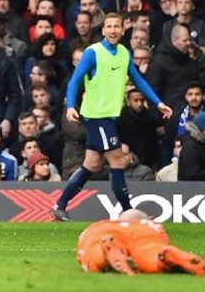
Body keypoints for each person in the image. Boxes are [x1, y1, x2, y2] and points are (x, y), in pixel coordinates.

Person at [51, 13, 173, 221]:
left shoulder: (124, 53)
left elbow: (139, 81)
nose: (113, 30)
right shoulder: (93, 53)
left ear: (123, 29)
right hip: (97, 116)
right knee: (118, 161)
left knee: (92, 164)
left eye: (117, 26)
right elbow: (74, 81)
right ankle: (131, 214)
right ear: (103, 30)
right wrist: (71, 105)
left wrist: (158, 103)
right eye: (109, 26)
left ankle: (60, 205)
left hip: (108, 117)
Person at [76, 209, 205, 275]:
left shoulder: (98, 226)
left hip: (105, 232)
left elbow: (83, 250)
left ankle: (108, 249)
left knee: (93, 255)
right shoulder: (149, 225)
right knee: (151, 252)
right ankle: (165, 257)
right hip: (145, 231)